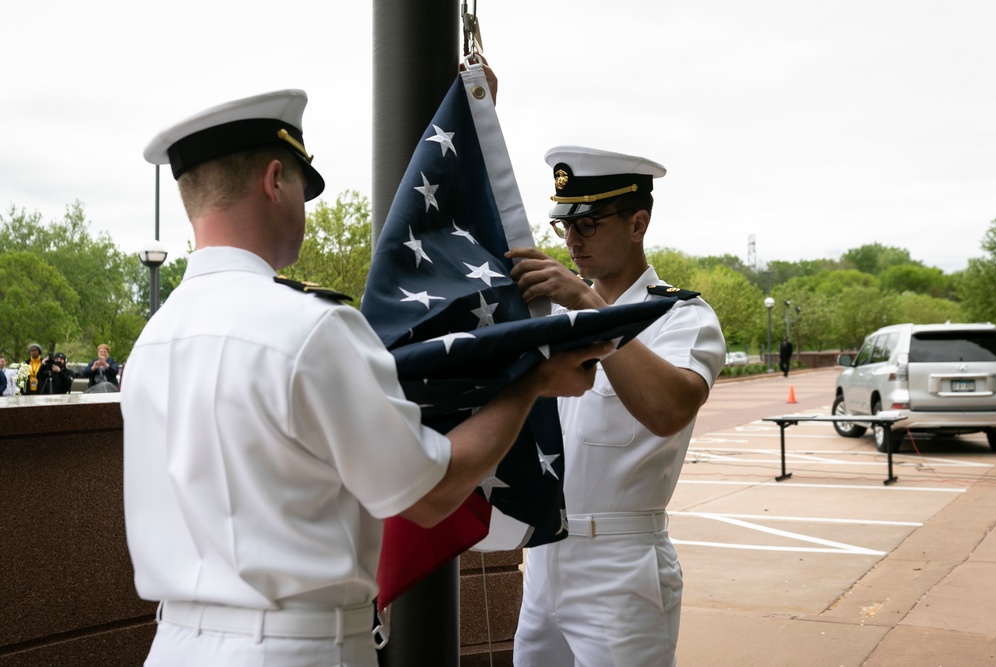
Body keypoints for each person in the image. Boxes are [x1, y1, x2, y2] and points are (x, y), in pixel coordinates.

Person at [122, 88, 606, 667]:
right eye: (303, 186)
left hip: (173, 644)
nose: (304, 204)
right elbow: (430, 494)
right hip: (296, 648)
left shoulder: (153, 340)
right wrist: (532, 380)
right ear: (274, 180)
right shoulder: (311, 328)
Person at [507, 146, 727, 666]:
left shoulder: (679, 315)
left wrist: (589, 308)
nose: (573, 240)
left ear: (637, 223)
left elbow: (669, 409)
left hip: (620, 564)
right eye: (565, 225)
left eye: (589, 222)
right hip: (544, 555)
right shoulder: (553, 317)